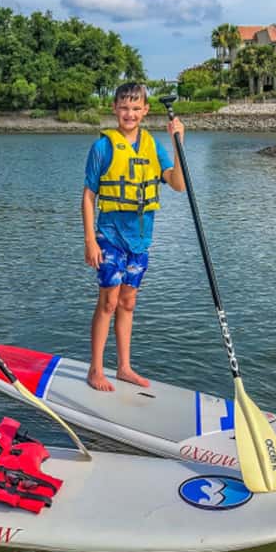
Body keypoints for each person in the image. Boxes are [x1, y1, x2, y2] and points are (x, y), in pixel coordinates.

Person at [82, 82, 185, 392]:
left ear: (145, 110)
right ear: (114, 108)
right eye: (124, 107)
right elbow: (88, 196)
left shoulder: (154, 146)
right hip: (109, 237)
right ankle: (96, 369)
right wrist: (90, 240)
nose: (129, 113)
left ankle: (124, 367)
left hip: (140, 241)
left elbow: (178, 183)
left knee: (127, 303)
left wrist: (178, 142)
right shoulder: (103, 147)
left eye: (135, 108)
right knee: (109, 301)